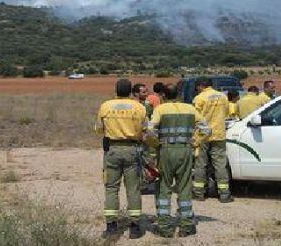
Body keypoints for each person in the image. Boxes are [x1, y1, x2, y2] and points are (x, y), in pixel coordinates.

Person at [147, 84, 210, 238]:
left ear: (163, 96)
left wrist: (155, 146)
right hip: (186, 151)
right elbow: (207, 130)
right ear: (179, 94)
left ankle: (164, 227)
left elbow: (150, 131)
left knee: (164, 187)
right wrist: (195, 142)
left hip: (166, 151)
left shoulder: (160, 109)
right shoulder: (190, 108)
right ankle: (186, 226)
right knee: (184, 187)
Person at [95, 79, 148, 239]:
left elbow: (98, 129)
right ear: (131, 91)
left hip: (112, 150)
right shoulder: (139, 107)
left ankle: (111, 226)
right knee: (133, 189)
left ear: (116, 91)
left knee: (111, 188)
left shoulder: (105, 106)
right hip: (132, 149)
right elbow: (145, 129)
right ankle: (135, 227)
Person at [191, 77, 233, 203]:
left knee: (200, 163)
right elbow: (226, 113)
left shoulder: (199, 98)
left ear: (200, 86)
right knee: (220, 164)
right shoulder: (223, 96)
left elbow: (194, 116)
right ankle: (224, 194)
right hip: (219, 134)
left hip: (202, 136)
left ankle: (199, 193)